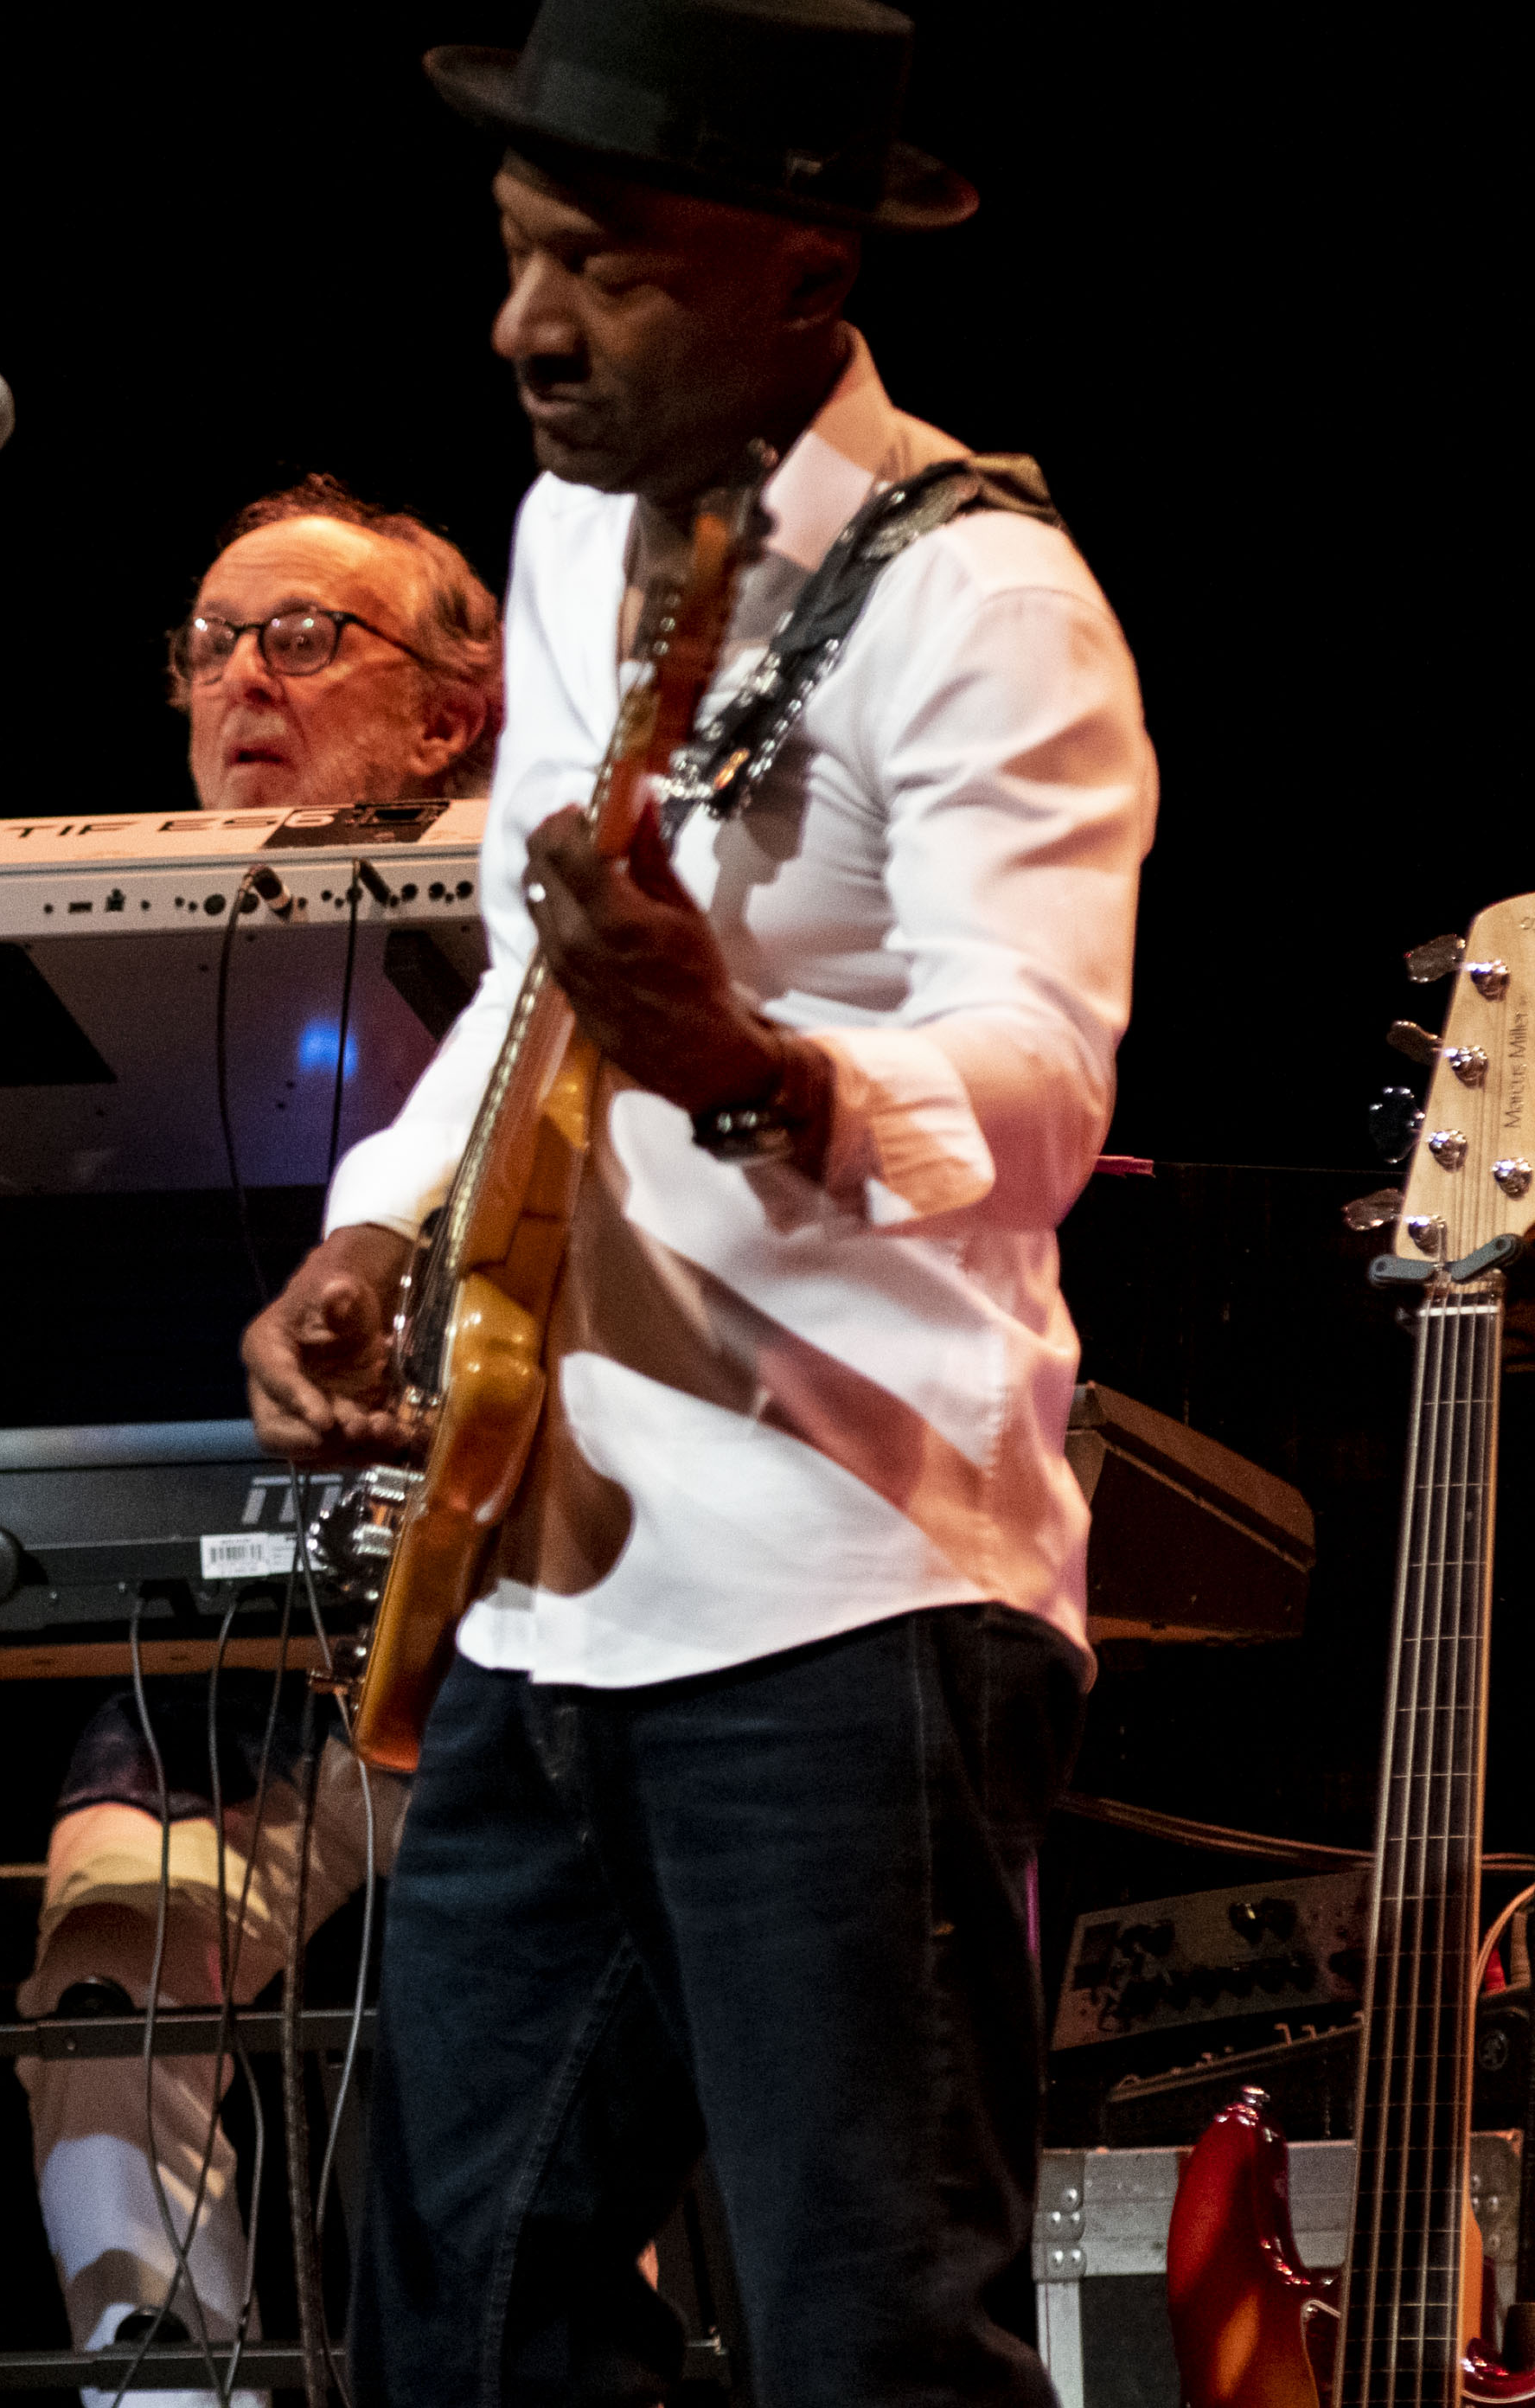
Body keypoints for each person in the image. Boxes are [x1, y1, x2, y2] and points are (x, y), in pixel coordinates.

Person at [242, 0, 1153, 2398]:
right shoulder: (568, 533)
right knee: (456, 2309)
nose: (528, 328)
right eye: (521, 253)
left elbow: (1037, 1087)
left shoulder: (989, 606)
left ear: (806, 277)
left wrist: (749, 1068)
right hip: (564, 1583)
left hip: (852, 1595)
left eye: (610, 272)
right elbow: (537, 987)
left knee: (872, 2330)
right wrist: (378, 1221)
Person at [15, 476, 499, 2408]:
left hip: (538, 1632)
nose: (242, 679)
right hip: (253, 1668)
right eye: (210, 644)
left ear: (452, 712)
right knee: (107, 1950)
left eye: (305, 636)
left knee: (539, 2037)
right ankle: (165, 2383)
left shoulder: (560, 923)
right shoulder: (96, 940)